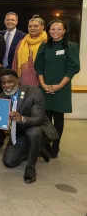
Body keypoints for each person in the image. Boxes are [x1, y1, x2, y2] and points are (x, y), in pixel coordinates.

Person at [0, 69, 58, 183]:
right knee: (9, 162)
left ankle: (30, 167)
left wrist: (21, 118)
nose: (6, 85)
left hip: (40, 130)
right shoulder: (1, 97)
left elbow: (38, 119)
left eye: (10, 81)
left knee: (33, 132)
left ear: (18, 80)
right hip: (19, 133)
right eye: (3, 83)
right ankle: (37, 149)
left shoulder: (34, 93)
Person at [35, 19, 80, 159]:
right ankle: (46, 145)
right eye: (52, 29)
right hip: (45, 86)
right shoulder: (43, 47)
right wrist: (43, 85)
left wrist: (59, 85)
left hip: (62, 88)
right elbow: (39, 67)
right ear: (48, 30)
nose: (55, 31)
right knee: (45, 118)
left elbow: (73, 68)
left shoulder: (71, 46)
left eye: (59, 29)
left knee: (58, 118)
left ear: (64, 30)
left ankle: (56, 146)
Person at [12, 15, 47, 86]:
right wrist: (14, 78)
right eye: (30, 26)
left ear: (42, 27)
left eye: (36, 26)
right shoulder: (22, 42)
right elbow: (15, 61)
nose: (32, 28)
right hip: (23, 80)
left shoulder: (47, 42)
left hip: (42, 80)